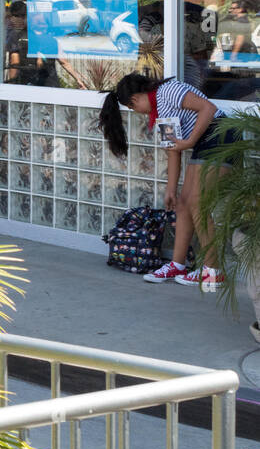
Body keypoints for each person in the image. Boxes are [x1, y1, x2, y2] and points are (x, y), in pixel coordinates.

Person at [100, 74, 233, 290]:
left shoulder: (168, 91)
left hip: (221, 136)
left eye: (133, 108)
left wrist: (189, 141)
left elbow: (207, 108)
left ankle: (213, 271)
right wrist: (170, 190)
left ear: (135, 99)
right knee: (182, 204)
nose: (139, 113)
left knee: (198, 203)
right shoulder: (160, 112)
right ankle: (177, 265)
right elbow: (173, 151)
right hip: (205, 143)